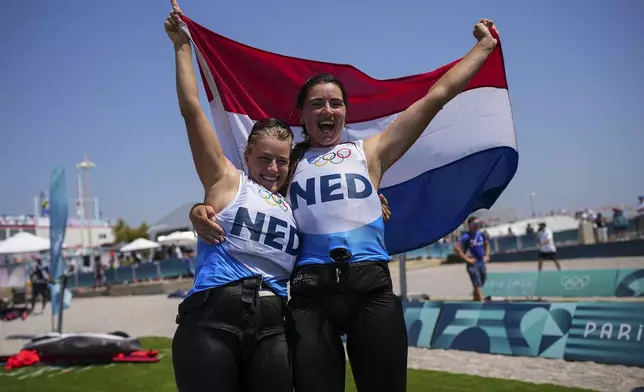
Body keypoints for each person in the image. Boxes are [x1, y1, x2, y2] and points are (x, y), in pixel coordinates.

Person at [190, 18, 500, 392]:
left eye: (336, 103)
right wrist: (199, 211)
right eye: (317, 103)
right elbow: (242, 193)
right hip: (310, 298)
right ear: (302, 115)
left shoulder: (370, 154)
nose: (328, 109)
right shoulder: (287, 166)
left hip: (372, 291)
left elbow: (436, 97)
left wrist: (484, 48)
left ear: (345, 113)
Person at [165, 5, 298, 391]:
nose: (273, 168)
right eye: (265, 159)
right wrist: (181, 48)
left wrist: (376, 200)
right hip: (210, 324)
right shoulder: (227, 179)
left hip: (273, 330)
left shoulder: (296, 203)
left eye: (282, 162)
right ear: (247, 156)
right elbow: (192, 112)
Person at [454, 217, 490, 302]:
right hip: (472, 264)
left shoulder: (480, 234)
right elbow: (457, 248)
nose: (476, 226)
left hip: (481, 262)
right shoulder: (466, 236)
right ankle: (481, 302)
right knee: (477, 283)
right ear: (470, 225)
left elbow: (486, 244)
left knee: (482, 281)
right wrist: (467, 259)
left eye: (478, 224)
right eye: (474, 224)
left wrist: (487, 255)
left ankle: (475, 300)